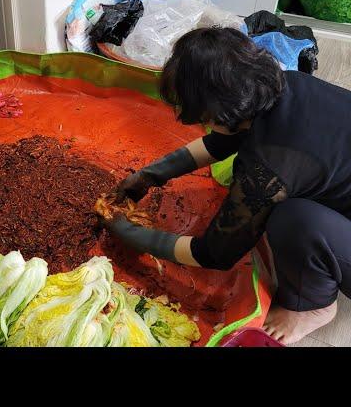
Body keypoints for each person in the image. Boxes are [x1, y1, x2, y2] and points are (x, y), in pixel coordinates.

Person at [103, 26, 351, 345]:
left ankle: (312, 305)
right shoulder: (284, 85)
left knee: (291, 220)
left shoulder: (268, 168)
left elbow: (213, 254)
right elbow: (225, 138)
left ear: (221, 113)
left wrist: (129, 232)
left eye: (202, 117)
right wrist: (151, 174)